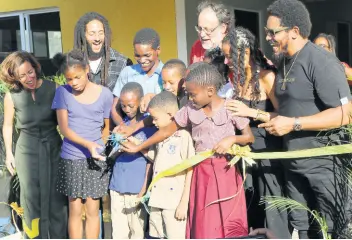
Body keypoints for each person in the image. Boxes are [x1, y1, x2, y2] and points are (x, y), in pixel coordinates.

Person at [120, 62, 254, 238]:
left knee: (229, 221)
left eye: (193, 95)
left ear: (210, 91)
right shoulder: (190, 110)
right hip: (202, 173)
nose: (190, 99)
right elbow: (167, 130)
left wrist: (232, 139)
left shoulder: (230, 107)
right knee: (205, 222)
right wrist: (139, 146)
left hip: (226, 173)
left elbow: (249, 137)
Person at [260, 0, 352, 238]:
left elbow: (346, 114)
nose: (268, 37)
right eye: (266, 31)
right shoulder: (284, 62)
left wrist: (293, 124)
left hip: (325, 168)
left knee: (333, 231)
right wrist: (255, 114)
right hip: (294, 166)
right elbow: (290, 112)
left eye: (273, 32)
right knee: (304, 230)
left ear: (294, 31)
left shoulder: (321, 61)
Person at [221, 27, 291, 238]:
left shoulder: (267, 77)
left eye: (229, 55)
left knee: (272, 208)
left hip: (268, 155)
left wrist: (250, 111)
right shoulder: (236, 80)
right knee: (251, 209)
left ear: (246, 52)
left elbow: (284, 117)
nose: (226, 62)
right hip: (245, 156)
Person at [1, 51, 68, 238]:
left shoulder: (54, 88)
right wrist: (9, 154)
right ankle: (34, 237)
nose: (28, 78)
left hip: (53, 147)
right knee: (30, 198)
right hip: (26, 150)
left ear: (35, 68)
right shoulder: (12, 95)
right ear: (15, 77)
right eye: (22, 75)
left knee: (56, 196)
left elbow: (65, 122)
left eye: (30, 72)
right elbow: (7, 126)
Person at [52, 49, 113, 239]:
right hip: (72, 158)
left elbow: (106, 128)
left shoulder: (105, 94)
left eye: (77, 77)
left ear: (87, 69)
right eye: (69, 79)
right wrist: (88, 145)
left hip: (96, 158)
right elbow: (64, 129)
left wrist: (100, 148)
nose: (73, 83)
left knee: (93, 208)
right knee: (75, 208)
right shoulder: (62, 93)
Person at [109, 82, 156, 239]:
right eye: (123, 106)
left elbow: (153, 160)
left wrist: (137, 144)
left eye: (130, 105)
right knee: (118, 233)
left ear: (141, 101)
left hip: (136, 188)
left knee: (137, 232)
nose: (127, 110)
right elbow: (112, 156)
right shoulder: (123, 125)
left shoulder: (151, 125)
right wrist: (116, 142)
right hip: (117, 185)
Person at [146, 91, 195, 239]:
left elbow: (190, 169)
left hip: (173, 202)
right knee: (156, 236)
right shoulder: (160, 136)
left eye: (155, 118)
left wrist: (183, 203)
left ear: (170, 114)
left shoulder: (184, 137)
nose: (153, 122)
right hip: (156, 199)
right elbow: (155, 159)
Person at [112, 28, 163, 125]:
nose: (142, 60)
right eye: (137, 56)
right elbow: (115, 109)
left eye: (147, 55)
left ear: (158, 50)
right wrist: (124, 129)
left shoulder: (166, 74)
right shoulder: (127, 72)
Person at [74, 12, 133, 91]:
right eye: (92, 34)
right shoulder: (75, 62)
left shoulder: (122, 63)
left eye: (101, 33)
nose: (97, 38)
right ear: (83, 35)